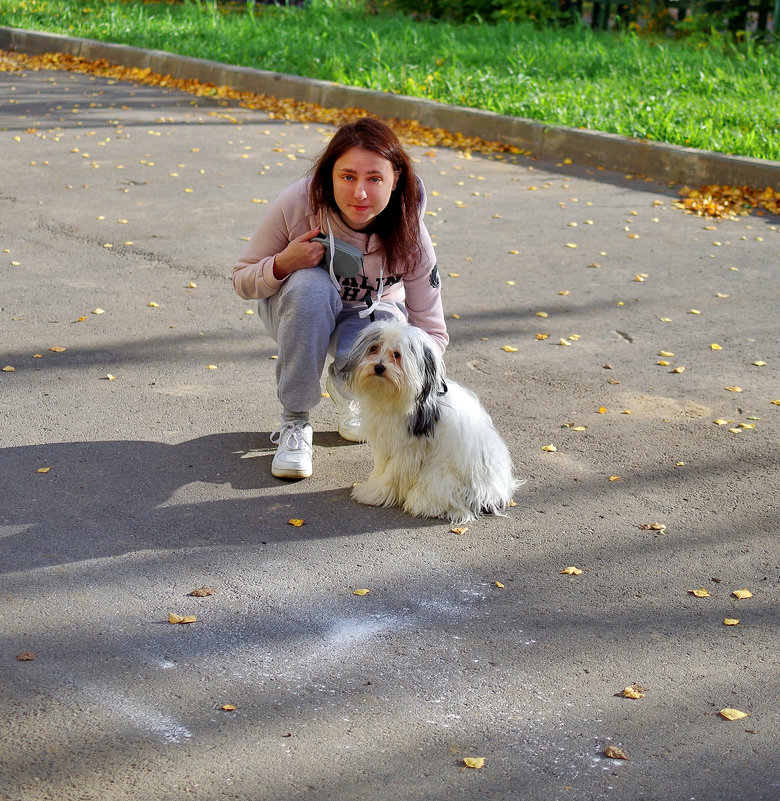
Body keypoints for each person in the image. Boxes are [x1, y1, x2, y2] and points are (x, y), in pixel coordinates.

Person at [233, 116, 448, 480]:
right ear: (329, 175)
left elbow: (430, 330)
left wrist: (428, 399)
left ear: (395, 179)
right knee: (311, 288)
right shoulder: (299, 204)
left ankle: (349, 384)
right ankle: (295, 424)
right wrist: (285, 263)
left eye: (374, 178)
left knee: (391, 329)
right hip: (298, 311)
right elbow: (242, 280)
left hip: (367, 323)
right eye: (347, 177)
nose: (359, 193)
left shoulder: (410, 232)